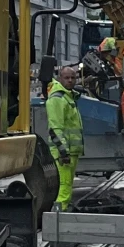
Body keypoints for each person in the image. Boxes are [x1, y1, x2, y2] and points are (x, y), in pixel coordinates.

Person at [44, 66, 84, 213]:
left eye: (73, 78)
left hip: (71, 152)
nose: (70, 81)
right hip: (64, 153)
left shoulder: (68, 96)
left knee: (66, 185)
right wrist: (63, 152)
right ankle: (58, 216)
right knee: (64, 186)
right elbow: (55, 129)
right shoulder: (58, 98)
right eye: (67, 78)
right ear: (60, 79)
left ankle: (61, 214)